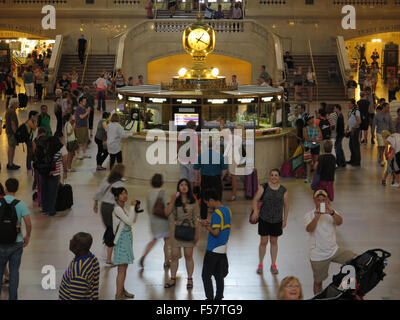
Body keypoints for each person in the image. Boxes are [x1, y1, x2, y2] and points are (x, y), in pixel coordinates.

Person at [305, 189, 356, 295]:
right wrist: (317, 217)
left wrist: (332, 213)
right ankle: (318, 297)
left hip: (334, 250)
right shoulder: (309, 215)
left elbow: (340, 222)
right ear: (314, 201)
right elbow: (309, 229)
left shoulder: (332, 212)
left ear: (327, 201)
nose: (321, 202)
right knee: (318, 282)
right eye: (318, 200)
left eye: (323, 200)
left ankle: (344, 289)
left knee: (355, 260)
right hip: (318, 255)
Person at [250, 168, 289, 275]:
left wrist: (285, 219)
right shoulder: (263, 187)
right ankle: (260, 264)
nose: (274, 177)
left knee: (274, 242)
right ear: (269, 176)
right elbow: (255, 199)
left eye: (276, 175)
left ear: (279, 177)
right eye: (272, 175)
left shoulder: (283, 190)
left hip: (277, 220)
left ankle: (273, 264)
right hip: (264, 219)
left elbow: (286, 206)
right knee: (263, 242)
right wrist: (255, 211)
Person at [164, 179, 200, 289]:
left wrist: (197, 234)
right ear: (178, 187)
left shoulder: (193, 201)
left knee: (188, 256)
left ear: (189, 187)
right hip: (176, 231)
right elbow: (167, 213)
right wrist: (172, 200)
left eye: (186, 185)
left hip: (189, 231)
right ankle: (172, 278)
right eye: (181, 185)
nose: (183, 187)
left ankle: (190, 279)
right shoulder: (175, 200)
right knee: (174, 256)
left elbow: (196, 219)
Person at [0, 178, 32, 300]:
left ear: (5, 188)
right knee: (14, 272)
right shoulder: (20, 204)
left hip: (1, 242)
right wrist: (27, 236)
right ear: (17, 189)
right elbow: (28, 223)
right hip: (16, 243)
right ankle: (13, 297)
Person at [200, 189, 231, 300]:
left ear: (212, 200)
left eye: (207, 203)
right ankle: (218, 297)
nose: (208, 206)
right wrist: (211, 223)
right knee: (219, 275)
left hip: (213, 249)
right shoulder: (227, 210)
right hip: (222, 248)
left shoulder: (216, 213)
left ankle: (209, 299)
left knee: (205, 276)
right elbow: (223, 228)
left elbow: (216, 232)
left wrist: (206, 226)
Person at [111, 187, 141, 300]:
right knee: (121, 269)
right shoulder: (117, 209)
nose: (125, 195)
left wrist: (135, 211)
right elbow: (128, 221)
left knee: (124, 267)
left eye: (126, 193)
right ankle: (118, 295)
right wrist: (133, 207)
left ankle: (122, 290)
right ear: (116, 197)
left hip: (127, 239)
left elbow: (132, 221)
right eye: (122, 194)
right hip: (121, 240)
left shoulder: (124, 209)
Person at [93, 164, 125, 265]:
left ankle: (106, 246)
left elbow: (99, 192)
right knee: (113, 231)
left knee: (109, 228)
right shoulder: (120, 184)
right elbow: (121, 199)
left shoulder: (106, 179)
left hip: (104, 207)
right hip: (113, 208)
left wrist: (95, 203)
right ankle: (109, 257)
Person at [140, 174, 171, 269]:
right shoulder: (164, 192)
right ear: (161, 182)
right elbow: (168, 207)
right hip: (164, 222)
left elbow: (149, 209)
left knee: (153, 240)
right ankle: (166, 261)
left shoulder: (149, 193)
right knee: (167, 241)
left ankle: (144, 256)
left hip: (154, 221)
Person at [59, 232, 100, 300]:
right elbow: (95, 285)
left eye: (73, 240)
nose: (70, 241)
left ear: (79, 248)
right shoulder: (92, 258)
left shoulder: (79, 273)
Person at [194, 141, 228, 220]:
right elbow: (225, 169)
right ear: (214, 146)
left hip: (205, 178)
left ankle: (203, 217)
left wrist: (197, 180)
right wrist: (221, 178)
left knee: (204, 198)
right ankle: (218, 216)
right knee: (217, 198)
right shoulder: (220, 156)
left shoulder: (201, 156)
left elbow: (195, 169)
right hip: (216, 178)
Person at [40, 133, 66, 216]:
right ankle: (51, 211)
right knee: (53, 192)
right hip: (55, 173)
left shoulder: (44, 146)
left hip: (44, 172)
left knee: (44, 191)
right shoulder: (60, 147)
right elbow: (64, 160)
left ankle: (44, 209)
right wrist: (65, 171)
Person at [303, 114, 322, 183]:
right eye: (310, 119)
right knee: (308, 162)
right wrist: (314, 140)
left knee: (316, 162)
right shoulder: (305, 128)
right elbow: (306, 137)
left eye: (312, 118)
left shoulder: (317, 127)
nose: (312, 120)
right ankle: (308, 177)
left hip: (316, 146)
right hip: (308, 147)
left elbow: (321, 136)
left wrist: (318, 140)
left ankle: (315, 177)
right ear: (307, 122)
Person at [5, 100, 20, 170]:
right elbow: (13, 123)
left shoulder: (8, 110)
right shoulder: (12, 112)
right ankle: (10, 164)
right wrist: (16, 133)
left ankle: (10, 163)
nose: (18, 104)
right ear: (14, 104)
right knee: (12, 148)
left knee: (10, 147)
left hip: (9, 132)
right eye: (17, 103)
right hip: (12, 133)